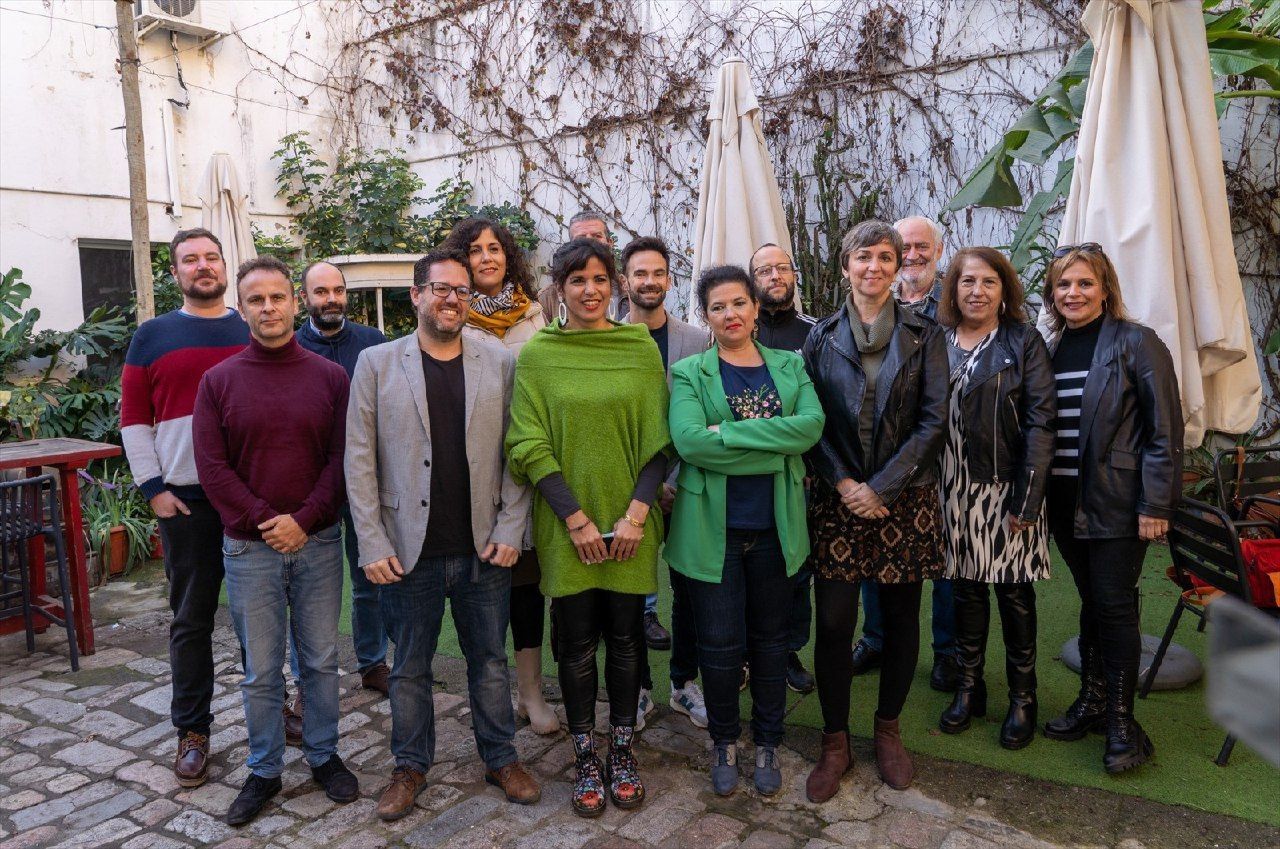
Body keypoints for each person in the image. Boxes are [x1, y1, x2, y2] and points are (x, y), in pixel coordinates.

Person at [346, 248, 541, 820]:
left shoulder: (497, 362)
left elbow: (517, 453)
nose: (451, 297)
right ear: (417, 294)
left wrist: (511, 526)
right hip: (408, 552)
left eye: (460, 289)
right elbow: (358, 461)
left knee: (489, 661)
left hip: (483, 547)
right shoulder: (377, 364)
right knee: (409, 666)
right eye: (440, 287)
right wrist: (372, 543)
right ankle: (408, 767)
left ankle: (502, 757)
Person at [505, 237, 670, 818]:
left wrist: (634, 514)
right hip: (565, 523)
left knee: (626, 640)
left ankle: (621, 752)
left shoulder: (639, 347)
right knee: (574, 643)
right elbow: (526, 441)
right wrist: (575, 519)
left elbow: (661, 440)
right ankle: (584, 754)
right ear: (560, 287)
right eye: (578, 281)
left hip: (632, 521)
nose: (591, 290)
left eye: (601, 279)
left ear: (616, 286)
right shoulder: (539, 355)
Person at [192, 256, 356, 826]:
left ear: (294, 302)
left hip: (318, 543)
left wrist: (305, 519)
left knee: (320, 660)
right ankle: (263, 770)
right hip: (249, 550)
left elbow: (341, 461)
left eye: (278, 298)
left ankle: (324, 755)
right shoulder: (218, 382)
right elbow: (212, 469)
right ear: (242, 308)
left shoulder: (331, 377)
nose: (269, 308)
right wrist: (269, 521)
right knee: (261, 670)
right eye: (256, 300)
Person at [802, 220, 948, 798]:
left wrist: (880, 487)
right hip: (838, 500)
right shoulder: (821, 336)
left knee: (899, 619)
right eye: (864, 257)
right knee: (836, 622)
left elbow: (934, 421)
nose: (875, 267)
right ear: (846, 267)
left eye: (886, 257)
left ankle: (888, 731)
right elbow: (810, 421)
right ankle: (834, 742)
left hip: (903, 499)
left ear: (896, 266)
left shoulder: (926, 332)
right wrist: (843, 481)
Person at [667, 264, 824, 797]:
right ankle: (724, 741)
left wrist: (727, 436)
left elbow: (810, 429)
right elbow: (689, 443)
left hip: (776, 529)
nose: (730, 314)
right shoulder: (691, 373)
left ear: (756, 308)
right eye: (717, 306)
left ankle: (769, 741)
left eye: (738, 303)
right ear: (706, 317)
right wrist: (769, 445)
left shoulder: (790, 364)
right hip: (713, 531)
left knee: (772, 642)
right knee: (718, 645)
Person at [1039, 243, 1182, 774]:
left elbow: (1165, 430)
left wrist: (1156, 503)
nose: (1072, 293)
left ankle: (1121, 720)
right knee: (1092, 599)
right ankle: (1095, 698)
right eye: (1063, 285)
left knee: (1114, 604)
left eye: (1083, 284)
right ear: (1052, 295)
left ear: (1105, 289)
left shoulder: (1136, 342)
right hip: (1064, 502)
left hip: (1118, 503)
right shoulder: (1051, 348)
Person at [121, 228, 248, 788]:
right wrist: (154, 489)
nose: (203, 266)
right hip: (187, 501)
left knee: (261, 616)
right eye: (191, 260)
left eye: (212, 257)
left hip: (250, 499)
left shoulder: (253, 326)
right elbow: (133, 419)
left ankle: (277, 707)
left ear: (225, 266)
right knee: (192, 621)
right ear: (176, 273)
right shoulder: (152, 336)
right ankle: (192, 731)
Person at [932, 248, 1056, 750]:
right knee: (964, 589)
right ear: (953, 289)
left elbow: (1041, 423)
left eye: (988, 281)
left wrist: (1027, 500)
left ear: (1005, 289)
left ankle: (1023, 698)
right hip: (951, 486)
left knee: (1012, 593)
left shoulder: (1023, 342)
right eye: (967, 282)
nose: (977, 291)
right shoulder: (936, 341)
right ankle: (969, 686)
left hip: (1005, 487)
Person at [442, 216, 557, 735]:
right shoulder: (450, 320)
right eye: (475, 250)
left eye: (495, 248)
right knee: (482, 588)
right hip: (471, 475)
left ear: (508, 257)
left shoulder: (536, 318)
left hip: (527, 468)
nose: (486, 257)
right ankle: (490, 692)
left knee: (527, 587)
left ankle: (531, 693)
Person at [851, 214, 958, 692]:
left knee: (941, 562)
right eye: (904, 248)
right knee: (875, 557)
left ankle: (947, 652)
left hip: (941, 459)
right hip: (876, 464)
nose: (912, 255)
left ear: (938, 250)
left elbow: (939, 408)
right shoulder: (869, 312)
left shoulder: (952, 309)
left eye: (920, 247)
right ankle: (875, 639)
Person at [296, 261, 390, 732]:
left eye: (338, 290)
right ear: (304, 297)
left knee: (369, 572)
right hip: (314, 484)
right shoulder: (291, 346)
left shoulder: (373, 342)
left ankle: (373, 662)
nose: (331, 299)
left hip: (368, 478)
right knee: (312, 585)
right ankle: (309, 681)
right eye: (321, 291)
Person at [620, 236, 710, 731]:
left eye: (658, 273)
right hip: (627, 489)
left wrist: (672, 480)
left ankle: (683, 685)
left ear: (669, 280)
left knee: (690, 591)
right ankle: (636, 689)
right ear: (625, 281)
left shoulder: (696, 340)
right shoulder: (609, 337)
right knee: (630, 595)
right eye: (639, 274)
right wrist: (644, 488)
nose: (649, 282)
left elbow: (698, 415)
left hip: (684, 488)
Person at [748, 242, 819, 695]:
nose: (775, 275)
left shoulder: (818, 333)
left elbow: (823, 405)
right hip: (743, 475)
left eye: (782, 268)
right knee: (746, 563)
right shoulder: (734, 331)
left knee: (797, 567)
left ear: (794, 275)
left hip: (803, 475)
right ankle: (743, 653)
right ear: (751, 280)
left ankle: (789, 650)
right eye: (764, 269)